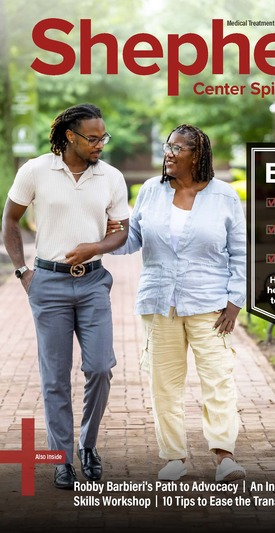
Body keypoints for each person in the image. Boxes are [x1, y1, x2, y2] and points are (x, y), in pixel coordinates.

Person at [2, 103, 129, 489]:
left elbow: (121, 231)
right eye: (93, 138)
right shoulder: (36, 170)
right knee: (54, 378)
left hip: (92, 283)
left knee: (100, 367)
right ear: (69, 137)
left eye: (103, 137)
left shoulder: (111, 177)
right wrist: (23, 271)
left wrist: (95, 248)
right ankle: (61, 459)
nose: (101, 144)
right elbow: (10, 219)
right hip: (49, 285)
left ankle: (87, 445)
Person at [109, 124, 246, 482]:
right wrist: (103, 231)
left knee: (217, 378)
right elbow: (130, 241)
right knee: (164, 383)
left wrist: (235, 301)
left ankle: (224, 456)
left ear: (197, 155)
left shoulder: (224, 196)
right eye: (168, 146)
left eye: (178, 148)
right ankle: (174, 458)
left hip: (210, 304)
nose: (168, 153)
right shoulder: (151, 192)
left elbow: (241, 253)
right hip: (158, 302)